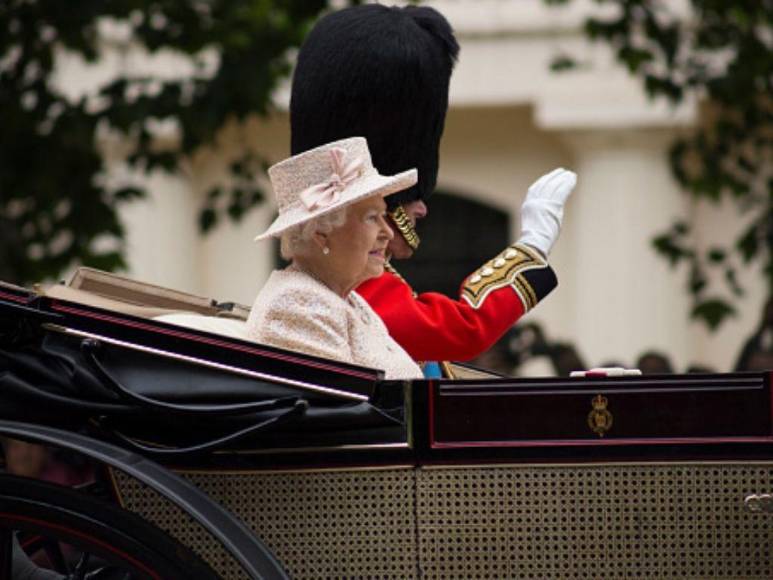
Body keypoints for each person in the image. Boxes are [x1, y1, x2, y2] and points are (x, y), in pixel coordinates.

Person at [290, 4, 576, 369]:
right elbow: (463, 329)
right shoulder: (353, 287)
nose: (422, 207)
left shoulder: (354, 278)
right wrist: (530, 248)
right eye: (408, 195)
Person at [248, 137, 423, 380]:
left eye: (384, 216)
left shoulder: (347, 300)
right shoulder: (298, 305)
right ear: (321, 234)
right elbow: (351, 411)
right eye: (372, 218)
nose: (388, 233)